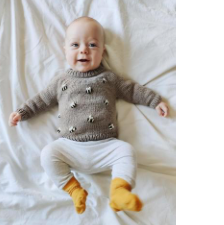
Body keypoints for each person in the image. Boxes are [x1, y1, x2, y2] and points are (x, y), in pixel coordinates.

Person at [8, 17, 169, 214]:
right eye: (75, 45)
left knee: (127, 152)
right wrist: (22, 112)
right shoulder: (61, 81)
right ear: (65, 50)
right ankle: (74, 189)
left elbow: (133, 90)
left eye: (92, 45)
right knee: (48, 154)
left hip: (106, 146)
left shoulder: (109, 79)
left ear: (103, 51)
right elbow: (42, 100)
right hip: (69, 147)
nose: (83, 50)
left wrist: (155, 101)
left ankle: (118, 191)